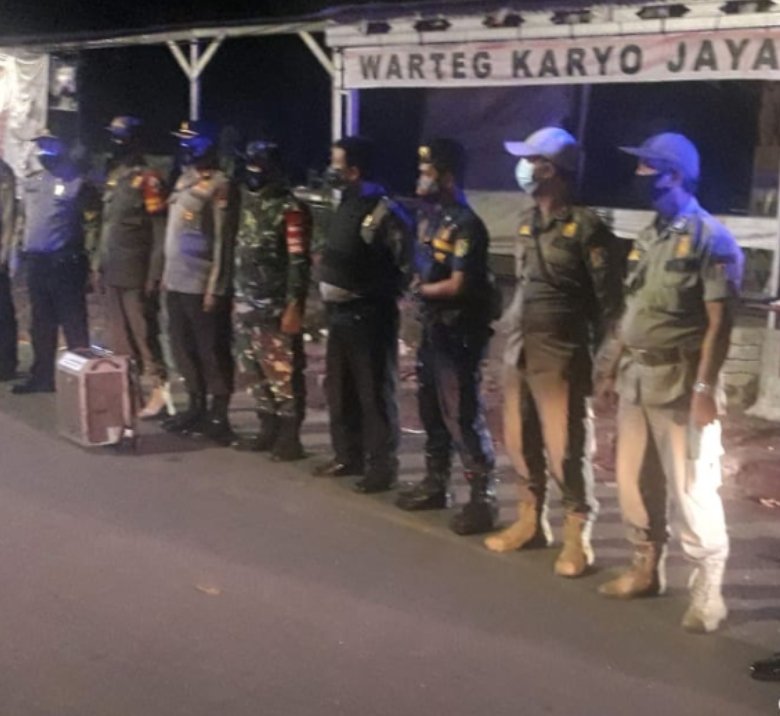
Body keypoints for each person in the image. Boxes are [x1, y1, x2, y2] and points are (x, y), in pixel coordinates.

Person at [595, 133, 743, 633]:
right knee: (634, 480)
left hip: (681, 383)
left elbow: (720, 324)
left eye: (647, 168)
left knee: (691, 488)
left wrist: (704, 391)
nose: (638, 176)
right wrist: (610, 367)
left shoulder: (711, 239)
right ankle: (645, 568)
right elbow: (633, 309)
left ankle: (708, 591)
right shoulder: (649, 236)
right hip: (637, 378)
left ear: (674, 175)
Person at [483, 127, 625, 577]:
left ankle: (577, 537)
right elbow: (525, 284)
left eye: (532, 160)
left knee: (566, 447)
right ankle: (530, 521)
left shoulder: (588, 228)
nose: (524, 168)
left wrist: (606, 367)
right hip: (521, 348)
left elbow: (611, 307)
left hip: (562, 352)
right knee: (518, 439)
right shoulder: (528, 222)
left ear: (552, 169)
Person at [395, 139, 500, 535]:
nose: (421, 178)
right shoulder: (432, 218)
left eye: (428, 172)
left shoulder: (467, 224)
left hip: (459, 333)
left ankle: (482, 499)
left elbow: (459, 284)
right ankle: (436, 483)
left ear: (447, 176)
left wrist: (420, 291)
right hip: (434, 328)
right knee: (431, 409)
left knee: (462, 414)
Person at [312, 136, 411, 493]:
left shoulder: (385, 212)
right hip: (340, 312)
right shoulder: (345, 203)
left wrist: (369, 289)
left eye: (337, 165)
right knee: (340, 388)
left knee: (373, 393)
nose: (331, 172)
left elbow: (404, 267)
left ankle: (381, 467)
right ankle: (347, 455)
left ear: (354, 171)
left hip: (369, 314)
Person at [232, 139, 312, 461]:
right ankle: (267, 427)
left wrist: (294, 304)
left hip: (274, 305)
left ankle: (290, 437)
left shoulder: (289, 209)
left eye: (260, 165)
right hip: (245, 300)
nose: (253, 172)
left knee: (283, 372)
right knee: (251, 369)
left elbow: (298, 261)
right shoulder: (246, 201)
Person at [161, 121, 236, 445]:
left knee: (211, 351)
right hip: (176, 279)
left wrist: (215, 286)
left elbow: (222, 240)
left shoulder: (220, 185)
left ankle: (219, 415)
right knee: (183, 347)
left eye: (189, 142)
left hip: (201, 282)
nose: (184, 148)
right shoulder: (185, 179)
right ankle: (195, 406)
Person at [12, 132, 99, 394]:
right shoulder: (33, 181)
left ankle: (80, 381)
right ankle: (43, 377)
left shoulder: (77, 182)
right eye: (40, 146)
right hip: (37, 262)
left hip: (65, 262)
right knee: (41, 323)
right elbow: (24, 219)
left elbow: (92, 223)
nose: (43, 151)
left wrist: (92, 261)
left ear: (63, 147)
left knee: (73, 323)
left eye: (49, 145)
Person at [94, 116, 169, 418]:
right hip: (112, 267)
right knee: (119, 338)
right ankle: (129, 394)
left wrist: (154, 274)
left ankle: (159, 392)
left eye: (122, 137)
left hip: (136, 271)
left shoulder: (149, 179)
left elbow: (159, 232)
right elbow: (106, 225)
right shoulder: (114, 175)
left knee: (144, 335)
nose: (116, 143)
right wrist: (97, 263)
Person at [0, 156, 18, 381]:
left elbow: (8, 218)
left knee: (2, 314)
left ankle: (5, 365)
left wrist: (4, 256)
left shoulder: (2, 174)